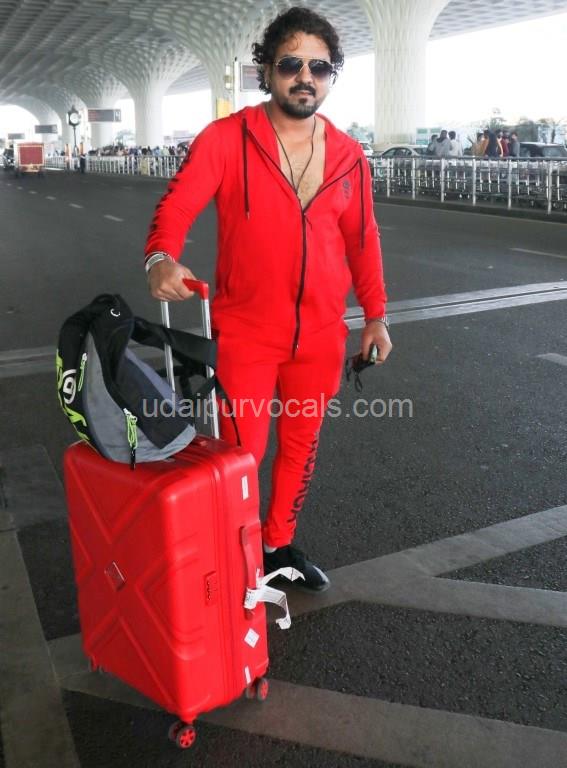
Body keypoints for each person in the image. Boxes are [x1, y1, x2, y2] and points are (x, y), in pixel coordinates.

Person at [144, 6, 391, 592]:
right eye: (290, 64)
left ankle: (277, 546)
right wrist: (160, 258)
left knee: (301, 448)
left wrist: (376, 316)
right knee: (241, 455)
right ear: (267, 71)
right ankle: (236, 558)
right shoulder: (227, 139)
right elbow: (178, 205)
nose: (305, 77)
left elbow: (362, 239)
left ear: (331, 76)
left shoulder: (350, 156)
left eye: (319, 67)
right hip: (246, 333)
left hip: (321, 337)